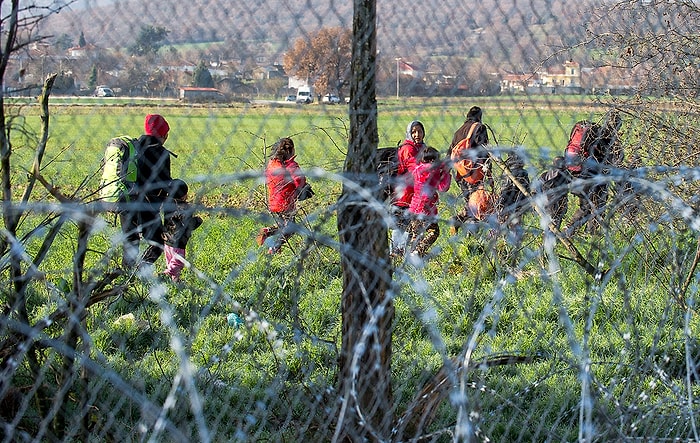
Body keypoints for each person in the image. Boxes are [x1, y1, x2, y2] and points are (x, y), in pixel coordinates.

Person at [565, 110, 622, 235]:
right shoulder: (609, 139)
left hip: (576, 176)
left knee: (585, 208)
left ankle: (568, 231)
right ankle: (592, 235)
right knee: (598, 207)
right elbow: (616, 161)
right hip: (594, 179)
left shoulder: (590, 130)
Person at [132, 114, 175, 270]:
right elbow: (165, 183)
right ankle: (139, 272)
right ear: (163, 134)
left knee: (130, 245)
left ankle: (124, 278)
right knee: (157, 243)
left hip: (127, 202)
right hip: (148, 205)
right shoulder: (161, 153)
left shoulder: (133, 147)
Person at [257, 137, 311, 254]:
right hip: (286, 202)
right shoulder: (290, 165)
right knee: (291, 228)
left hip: (273, 202)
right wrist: (304, 188)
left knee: (282, 225)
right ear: (290, 150)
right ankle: (274, 247)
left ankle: (267, 232)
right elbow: (299, 179)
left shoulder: (272, 164)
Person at [447, 106, 491, 233]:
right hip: (475, 172)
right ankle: (469, 231)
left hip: (461, 174)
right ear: (480, 116)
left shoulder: (458, 131)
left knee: (471, 202)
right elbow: (484, 150)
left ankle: (461, 223)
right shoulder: (479, 127)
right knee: (478, 204)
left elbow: (450, 153)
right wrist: (488, 171)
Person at [406, 147, 451, 259]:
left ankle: (412, 256)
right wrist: (446, 172)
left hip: (414, 208)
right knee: (433, 232)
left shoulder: (418, 169)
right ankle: (418, 252)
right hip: (426, 210)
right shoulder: (433, 172)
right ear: (432, 160)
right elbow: (443, 187)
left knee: (416, 235)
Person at [390, 120, 427, 256]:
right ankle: (396, 254)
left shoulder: (422, 147)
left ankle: (403, 254)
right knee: (401, 226)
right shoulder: (408, 148)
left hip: (417, 195)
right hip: (404, 194)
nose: (417, 134)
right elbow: (414, 169)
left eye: (420, 131)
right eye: (414, 132)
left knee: (412, 226)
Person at [161, 179, 203, 283]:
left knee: (171, 261)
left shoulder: (167, 205)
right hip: (178, 241)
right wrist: (197, 220)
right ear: (183, 195)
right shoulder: (186, 208)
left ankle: (175, 280)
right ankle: (167, 273)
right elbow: (188, 225)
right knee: (179, 261)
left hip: (167, 240)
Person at [496, 152, 531, 244]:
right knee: (516, 225)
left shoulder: (506, 171)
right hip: (516, 202)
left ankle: (496, 240)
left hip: (503, 202)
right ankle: (515, 243)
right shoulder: (522, 173)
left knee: (501, 223)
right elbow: (525, 190)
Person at [535, 156, 572, 232]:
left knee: (548, 224)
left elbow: (537, 189)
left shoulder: (545, 175)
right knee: (554, 225)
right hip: (558, 205)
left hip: (545, 204)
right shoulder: (564, 175)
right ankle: (552, 240)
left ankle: (549, 237)